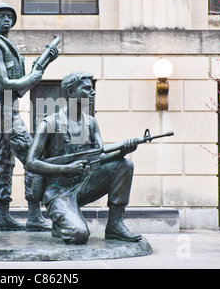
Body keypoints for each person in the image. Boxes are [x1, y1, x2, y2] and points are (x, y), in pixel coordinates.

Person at [26, 71, 142, 245]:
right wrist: (65, 169)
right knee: (78, 235)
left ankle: (115, 225)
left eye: (92, 88)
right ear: (71, 92)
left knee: (124, 165)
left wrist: (122, 151)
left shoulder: (91, 122)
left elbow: (100, 155)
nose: (93, 92)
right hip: (59, 192)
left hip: (85, 184)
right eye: (87, 89)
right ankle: (63, 220)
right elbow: (31, 163)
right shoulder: (50, 124)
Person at [0, 2, 58, 231]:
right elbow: (5, 83)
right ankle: (34, 215)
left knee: (3, 161)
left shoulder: (8, 48)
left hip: (6, 105)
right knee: (32, 156)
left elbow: (20, 89)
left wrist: (43, 65)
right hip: (1, 106)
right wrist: (34, 76)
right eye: (1, 16)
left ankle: (2, 217)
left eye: (9, 16)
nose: (6, 19)